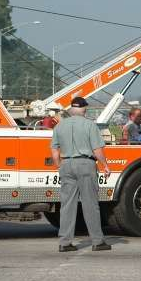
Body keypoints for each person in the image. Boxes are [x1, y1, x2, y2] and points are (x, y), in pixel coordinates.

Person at [50, 96, 112, 252]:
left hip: (66, 164)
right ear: (84, 109)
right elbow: (97, 150)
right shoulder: (90, 125)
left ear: (71, 109)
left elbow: (54, 151)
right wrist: (105, 165)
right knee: (90, 204)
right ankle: (97, 241)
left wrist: (60, 166)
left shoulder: (59, 126)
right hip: (85, 164)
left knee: (67, 205)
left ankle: (65, 243)